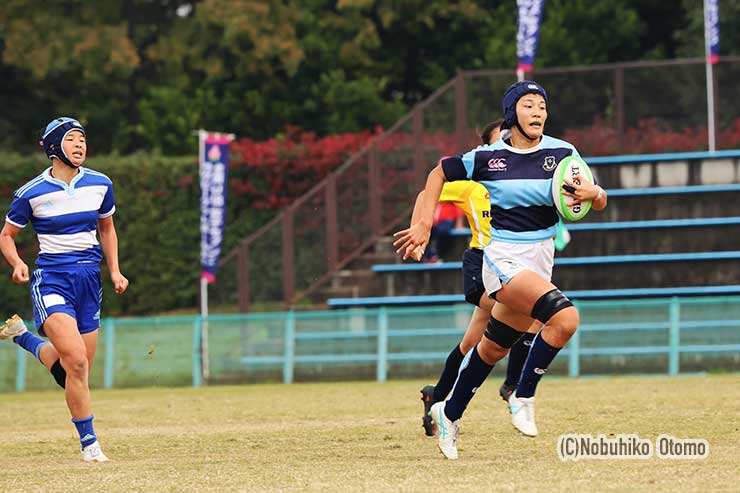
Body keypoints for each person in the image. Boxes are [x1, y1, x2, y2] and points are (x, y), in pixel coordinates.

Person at [394, 81, 607, 459]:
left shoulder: (563, 153)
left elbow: (594, 198)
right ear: (513, 113)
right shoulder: (487, 157)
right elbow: (436, 174)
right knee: (565, 319)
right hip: (501, 261)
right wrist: (424, 223)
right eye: (529, 105)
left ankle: (448, 412)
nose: (538, 111)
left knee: (490, 349)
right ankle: (522, 395)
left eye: (542, 105)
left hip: (540, 261)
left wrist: (596, 195)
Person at [0, 117, 129, 462]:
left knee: (75, 367)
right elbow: (6, 236)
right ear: (54, 147)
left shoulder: (101, 184)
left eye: (83, 139)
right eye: (72, 139)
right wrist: (17, 263)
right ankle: (90, 444)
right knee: (75, 362)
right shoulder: (30, 193)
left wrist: (115, 270)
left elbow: (107, 229)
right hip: (52, 280)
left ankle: (22, 337)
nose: (80, 145)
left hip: (89, 279)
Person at [413, 119, 542, 437]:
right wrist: (421, 228)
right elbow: (426, 192)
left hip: (507, 267)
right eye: (499, 142)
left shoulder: (521, 183)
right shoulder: (472, 183)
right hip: (480, 267)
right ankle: (513, 387)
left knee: (473, 343)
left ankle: (436, 397)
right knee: (531, 314)